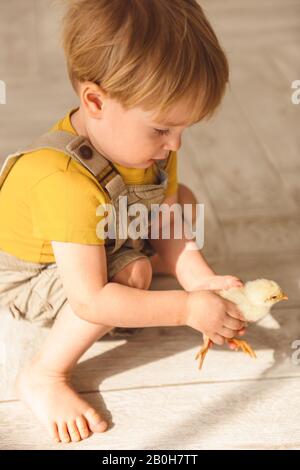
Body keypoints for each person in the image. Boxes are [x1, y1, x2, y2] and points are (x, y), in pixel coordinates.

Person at [0, 0, 246, 443]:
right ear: (95, 100)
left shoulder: (153, 147)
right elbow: (91, 300)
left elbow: (168, 212)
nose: (175, 144)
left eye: (183, 130)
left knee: (183, 199)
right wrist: (187, 309)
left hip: (100, 227)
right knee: (131, 274)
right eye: (161, 129)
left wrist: (200, 280)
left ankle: (153, 275)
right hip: (30, 275)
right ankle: (43, 375)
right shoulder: (62, 181)